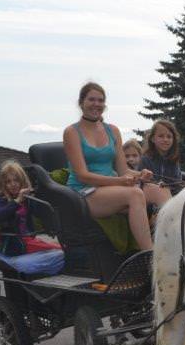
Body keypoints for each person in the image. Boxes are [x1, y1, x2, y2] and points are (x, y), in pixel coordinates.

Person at [63, 82, 157, 250]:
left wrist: (140, 174)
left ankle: (173, 247)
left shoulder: (112, 130)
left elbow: (123, 170)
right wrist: (120, 181)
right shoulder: (71, 132)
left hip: (111, 189)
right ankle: (149, 254)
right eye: (91, 99)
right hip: (83, 192)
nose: (96, 104)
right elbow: (82, 175)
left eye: (100, 100)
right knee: (135, 194)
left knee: (159, 191)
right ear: (81, 102)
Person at [0, 161, 61, 255]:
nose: (13, 184)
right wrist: (17, 201)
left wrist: (37, 195)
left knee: (62, 246)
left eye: (16, 180)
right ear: (3, 184)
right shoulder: (0, 200)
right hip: (14, 244)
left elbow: (41, 213)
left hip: (29, 239)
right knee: (59, 249)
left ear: (22, 181)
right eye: (8, 182)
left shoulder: (27, 198)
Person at [125, 137, 172, 208]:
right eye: (127, 156)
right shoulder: (122, 170)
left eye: (134, 156)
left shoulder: (144, 169)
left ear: (140, 156)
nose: (131, 159)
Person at [139, 120, 182, 197]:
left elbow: (177, 186)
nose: (165, 139)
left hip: (171, 199)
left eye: (169, 137)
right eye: (161, 136)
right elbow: (141, 184)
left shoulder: (174, 161)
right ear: (152, 139)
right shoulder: (145, 159)